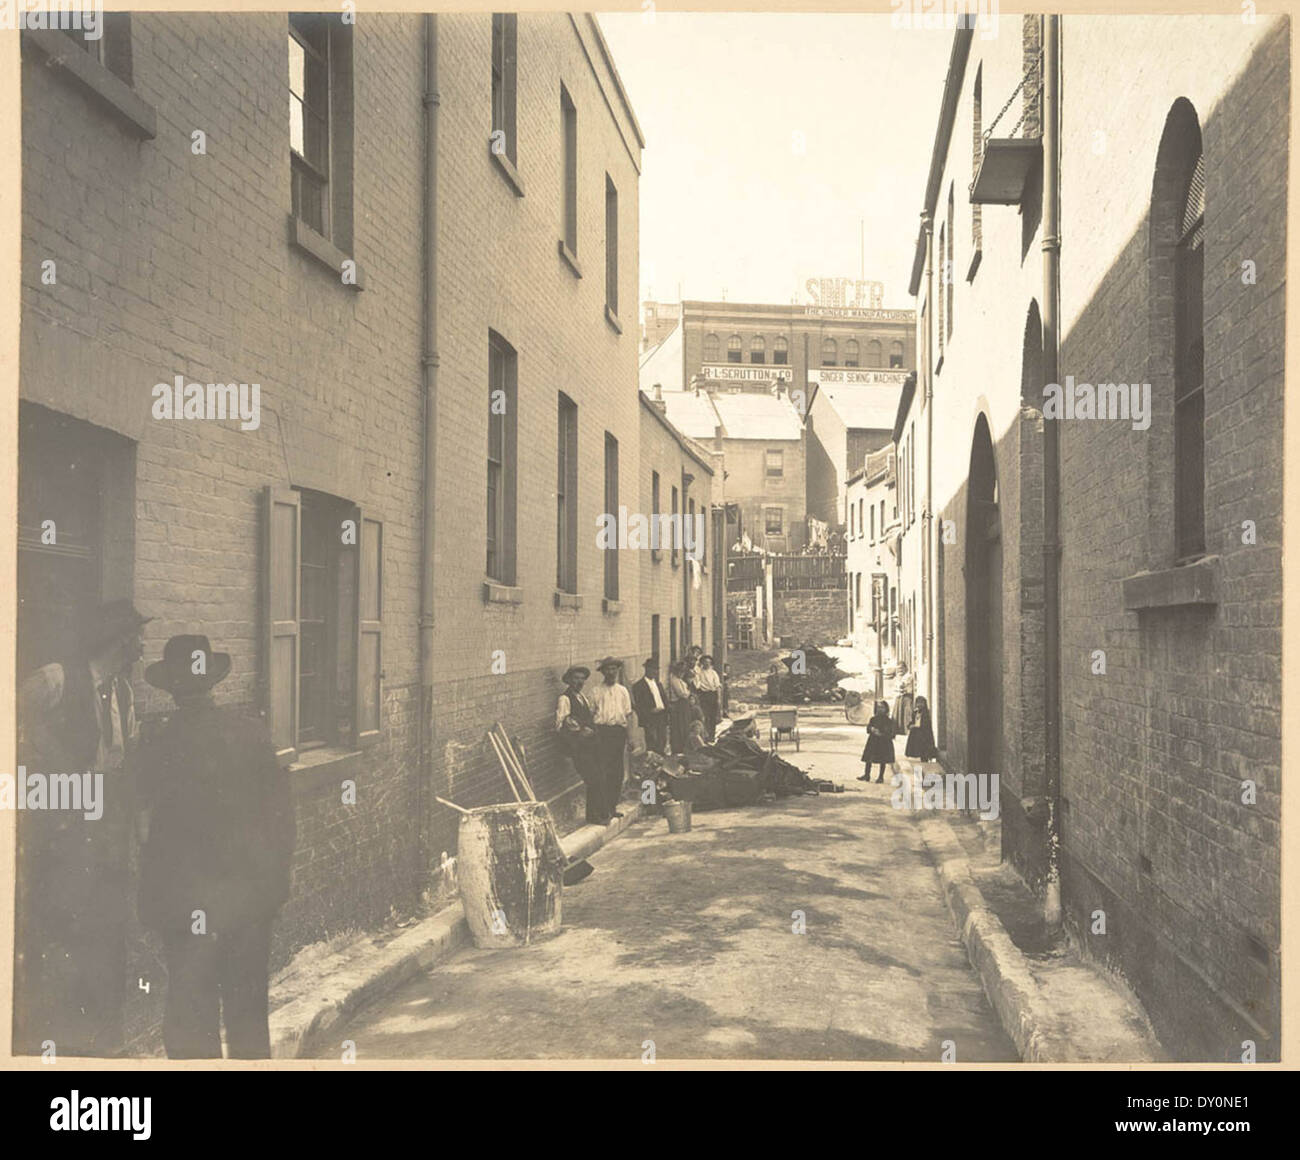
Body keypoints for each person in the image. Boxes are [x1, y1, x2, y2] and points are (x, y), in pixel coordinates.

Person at [137, 634, 295, 1059]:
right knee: (247, 1016)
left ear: (171, 688)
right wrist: (273, 890)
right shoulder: (251, 734)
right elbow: (282, 818)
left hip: (188, 909)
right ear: (213, 683)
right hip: (247, 904)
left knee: (191, 1017)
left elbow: (129, 806)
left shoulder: (157, 747)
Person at [15, 599, 151, 1056]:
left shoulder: (124, 692)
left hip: (105, 836)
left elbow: (126, 763)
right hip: (59, 835)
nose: (142, 644)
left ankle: (103, 1044)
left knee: (106, 934)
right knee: (59, 932)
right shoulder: (55, 679)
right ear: (117, 639)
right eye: (137, 636)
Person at [587, 656, 633, 823]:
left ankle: (612, 807)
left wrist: (630, 738)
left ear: (617, 670)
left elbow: (628, 715)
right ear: (603, 672)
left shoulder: (623, 691)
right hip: (602, 733)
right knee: (603, 772)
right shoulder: (595, 691)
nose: (611, 672)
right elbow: (590, 715)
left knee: (617, 772)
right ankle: (603, 810)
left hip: (618, 733)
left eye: (614, 669)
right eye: (608, 669)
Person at [556, 665, 602, 823]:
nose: (579, 682)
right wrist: (580, 730)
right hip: (579, 748)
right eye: (576, 678)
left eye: (582, 679)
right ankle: (594, 817)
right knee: (593, 779)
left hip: (591, 745)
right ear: (569, 680)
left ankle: (598, 814)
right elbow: (562, 723)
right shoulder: (565, 698)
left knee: (597, 778)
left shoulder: (582, 696)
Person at [631, 657, 669, 756]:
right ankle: (653, 763)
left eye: (656, 669)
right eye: (652, 669)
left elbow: (664, 700)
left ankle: (661, 761)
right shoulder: (638, 686)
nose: (655, 672)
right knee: (652, 741)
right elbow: (638, 705)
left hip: (661, 716)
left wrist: (666, 711)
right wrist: (650, 711)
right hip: (650, 718)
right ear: (646, 669)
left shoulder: (658, 684)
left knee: (662, 740)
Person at [860, 699, 897, 784]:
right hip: (873, 741)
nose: (880, 709)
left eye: (882, 707)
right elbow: (868, 728)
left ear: (886, 709)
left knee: (882, 760)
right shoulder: (873, 719)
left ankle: (880, 777)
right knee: (868, 758)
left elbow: (890, 732)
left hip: (883, 742)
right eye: (878, 707)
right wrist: (871, 729)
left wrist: (881, 732)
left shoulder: (888, 720)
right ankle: (867, 775)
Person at [666, 662, 694, 755]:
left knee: (685, 724)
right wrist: (688, 693)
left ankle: (683, 746)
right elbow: (682, 694)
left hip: (683, 704)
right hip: (678, 704)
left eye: (683, 672)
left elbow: (686, 692)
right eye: (680, 671)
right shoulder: (674, 680)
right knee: (679, 726)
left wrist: (687, 693)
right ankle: (677, 747)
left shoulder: (680, 680)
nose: (682, 674)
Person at [694, 655, 723, 741]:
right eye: (705, 662)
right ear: (702, 663)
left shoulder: (713, 673)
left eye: (709, 662)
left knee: (713, 716)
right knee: (705, 715)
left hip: (713, 695)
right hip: (704, 695)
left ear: (711, 663)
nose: (707, 664)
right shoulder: (699, 673)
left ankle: (712, 735)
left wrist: (718, 698)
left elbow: (717, 686)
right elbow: (697, 685)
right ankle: (705, 735)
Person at [905, 695, 938, 763]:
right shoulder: (915, 712)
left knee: (924, 752)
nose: (919, 705)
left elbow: (925, 724)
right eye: (918, 703)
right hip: (916, 735)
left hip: (924, 735)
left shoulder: (926, 713)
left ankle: (925, 763)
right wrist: (910, 725)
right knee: (918, 752)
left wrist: (915, 726)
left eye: (921, 703)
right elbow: (913, 721)